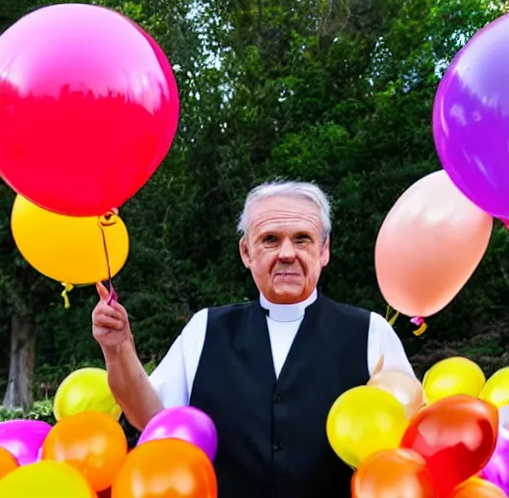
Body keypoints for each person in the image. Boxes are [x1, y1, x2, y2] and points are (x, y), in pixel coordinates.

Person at [92, 180, 415, 498]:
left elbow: (406, 444)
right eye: (271, 240)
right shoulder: (205, 328)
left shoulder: (371, 332)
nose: (287, 253)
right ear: (246, 252)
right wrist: (118, 347)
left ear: (324, 250)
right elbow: (152, 417)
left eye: (302, 239)